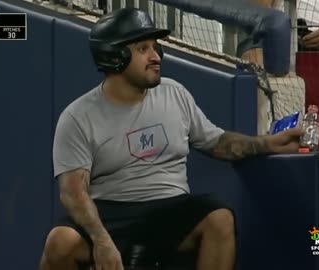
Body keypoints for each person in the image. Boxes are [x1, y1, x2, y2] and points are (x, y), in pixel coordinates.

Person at [39, 7, 304, 270]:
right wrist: (101, 240)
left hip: (169, 208)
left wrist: (267, 143)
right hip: (111, 212)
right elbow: (73, 192)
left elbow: (218, 143)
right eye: (143, 49)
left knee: (219, 218)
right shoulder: (78, 116)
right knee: (60, 242)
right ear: (114, 57)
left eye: (156, 48)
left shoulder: (174, 94)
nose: (156, 57)